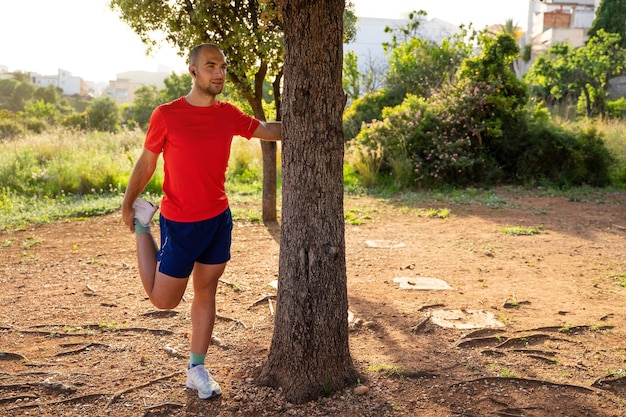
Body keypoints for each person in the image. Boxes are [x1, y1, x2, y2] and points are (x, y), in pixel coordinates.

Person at [121, 43, 281, 400]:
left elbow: (268, 130)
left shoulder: (228, 114)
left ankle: (197, 369)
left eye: (222, 66)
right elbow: (147, 162)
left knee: (206, 291)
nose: (219, 73)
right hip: (179, 222)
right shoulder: (166, 114)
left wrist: (315, 120)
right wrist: (129, 203)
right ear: (193, 70)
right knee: (164, 301)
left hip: (217, 220)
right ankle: (144, 227)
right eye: (211, 66)